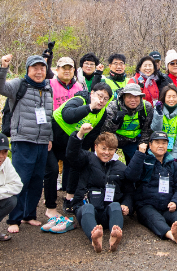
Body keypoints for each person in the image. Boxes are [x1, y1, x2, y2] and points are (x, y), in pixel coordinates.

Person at [0, 54, 52, 234]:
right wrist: (3, 68)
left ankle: (29, 215)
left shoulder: (48, 88)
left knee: (36, 181)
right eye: (35, 68)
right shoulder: (19, 85)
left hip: (42, 142)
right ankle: (14, 218)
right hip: (23, 140)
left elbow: (49, 116)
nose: (39, 71)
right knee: (20, 181)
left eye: (42, 68)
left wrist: (50, 138)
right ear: (28, 69)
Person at [126, 132, 177, 244]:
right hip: (146, 204)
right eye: (157, 142)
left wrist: (175, 202)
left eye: (164, 143)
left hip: (166, 204)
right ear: (150, 145)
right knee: (155, 219)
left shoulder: (172, 164)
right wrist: (139, 154)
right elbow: (131, 176)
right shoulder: (144, 160)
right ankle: (172, 235)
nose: (161, 145)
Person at [46, 82, 112, 219]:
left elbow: (92, 135)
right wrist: (89, 107)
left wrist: (82, 154)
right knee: (52, 170)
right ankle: (50, 206)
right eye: (100, 96)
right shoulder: (79, 100)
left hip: (72, 144)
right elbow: (68, 117)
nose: (102, 101)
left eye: (106, 99)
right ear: (92, 94)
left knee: (77, 164)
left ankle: (69, 198)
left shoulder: (102, 113)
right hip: (54, 140)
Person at [67, 127, 131, 252]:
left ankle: (115, 236)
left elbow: (128, 191)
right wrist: (79, 134)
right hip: (87, 209)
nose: (107, 152)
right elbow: (72, 154)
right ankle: (95, 239)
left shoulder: (121, 167)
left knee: (115, 206)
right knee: (87, 208)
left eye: (111, 149)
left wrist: (127, 205)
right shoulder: (87, 158)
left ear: (115, 150)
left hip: (107, 212)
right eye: (104, 148)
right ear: (95, 147)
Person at [46, 56, 84, 216]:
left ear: (74, 70)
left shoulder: (79, 87)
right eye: (63, 68)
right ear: (57, 69)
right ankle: (50, 203)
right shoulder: (49, 85)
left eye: (70, 68)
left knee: (71, 164)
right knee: (52, 169)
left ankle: (68, 197)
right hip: (53, 132)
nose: (67, 71)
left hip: (71, 133)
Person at [101, 83, 157, 162]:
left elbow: (147, 130)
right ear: (123, 97)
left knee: (138, 161)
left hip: (134, 140)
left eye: (136, 97)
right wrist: (115, 122)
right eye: (129, 97)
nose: (133, 100)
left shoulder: (146, 107)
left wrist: (142, 145)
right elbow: (105, 132)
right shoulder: (113, 107)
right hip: (115, 139)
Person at [150, 85, 177, 168]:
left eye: (174, 97)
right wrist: (158, 114)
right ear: (164, 98)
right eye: (169, 97)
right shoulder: (158, 109)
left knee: (174, 174)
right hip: (158, 148)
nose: (171, 99)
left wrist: (174, 156)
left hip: (176, 148)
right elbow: (155, 130)